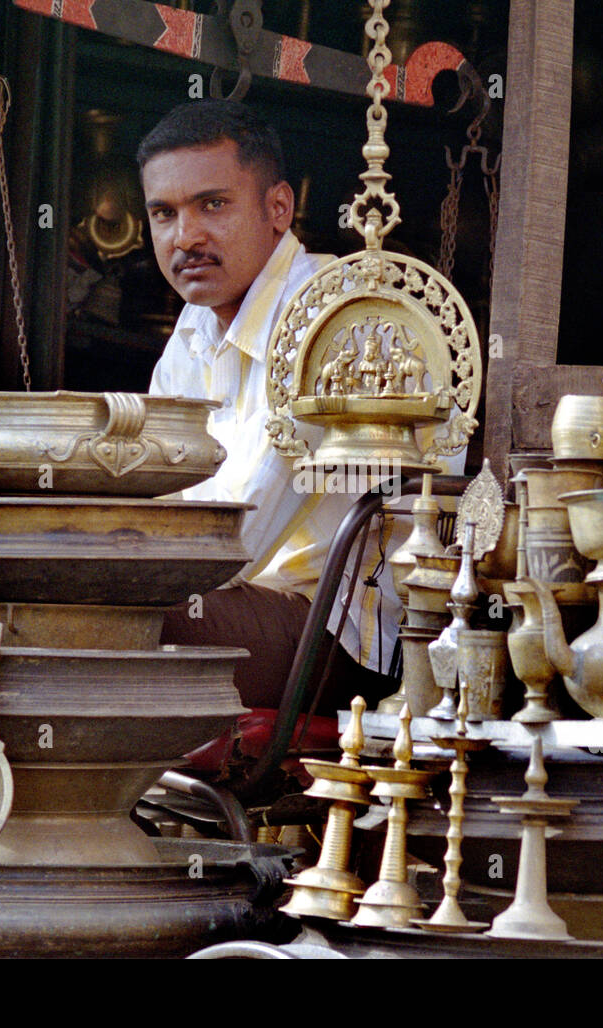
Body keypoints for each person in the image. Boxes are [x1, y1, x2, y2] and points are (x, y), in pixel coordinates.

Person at [139, 99, 409, 715]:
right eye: (164, 213)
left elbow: (238, 545)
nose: (186, 237)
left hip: (341, 637)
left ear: (278, 207)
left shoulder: (332, 317)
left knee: (96, 622)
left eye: (213, 204)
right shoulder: (192, 330)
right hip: (239, 605)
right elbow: (154, 500)